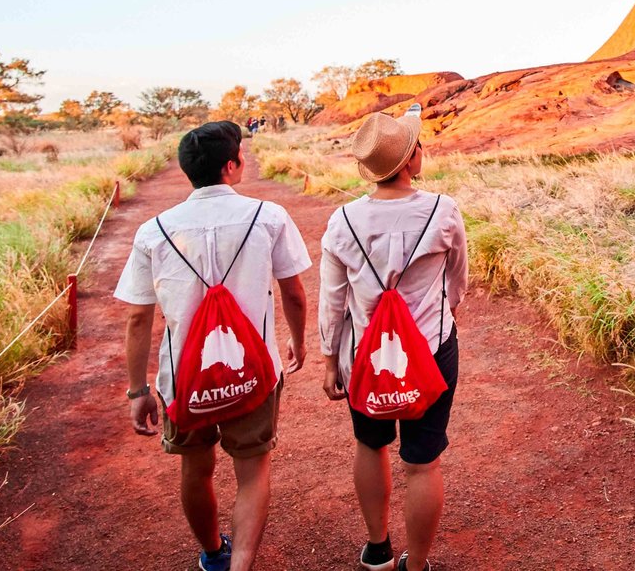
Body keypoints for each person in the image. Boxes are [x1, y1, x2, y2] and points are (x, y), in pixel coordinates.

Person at [117, 120, 311, 571]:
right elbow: (294, 293)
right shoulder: (268, 216)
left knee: (195, 467)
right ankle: (241, 565)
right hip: (253, 370)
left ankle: (212, 553)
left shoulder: (154, 231)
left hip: (183, 377)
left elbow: (137, 317)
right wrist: (298, 343)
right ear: (231, 166)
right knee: (253, 470)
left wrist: (137, 390)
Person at [319, 109, 467, 571]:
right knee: (423, 462)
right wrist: (441, 314)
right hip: (431, 348)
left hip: (366, 355)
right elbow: (458, 281)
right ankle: (417, 564)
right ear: (410, 160)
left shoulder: (342, 221)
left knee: (370, 443)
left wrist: (329, 361)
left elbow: (333, 300)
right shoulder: (443, 210)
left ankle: (378, 548)